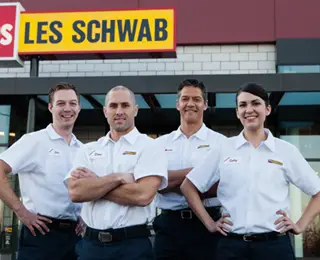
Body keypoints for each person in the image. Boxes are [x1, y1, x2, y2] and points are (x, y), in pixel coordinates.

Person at [181, 82, 320, 260]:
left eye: (255, 103)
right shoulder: (223, 148)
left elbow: (317, 191)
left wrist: (300, 225)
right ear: (237, 112)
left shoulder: (286, 150)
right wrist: (209, 223)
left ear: (267, 109)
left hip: (274, 247)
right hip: (231, 247)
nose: (249, 110)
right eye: (243, 105)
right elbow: (188, 186)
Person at [66, 85, 168, 260]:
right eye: (113, 106)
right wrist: (118, 177)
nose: (119, 111)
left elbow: (142, 195)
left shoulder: (150, 147)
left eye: (125, 105)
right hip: (91, 246)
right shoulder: (88, 149)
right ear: (105, 111)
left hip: (132, 247)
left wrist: (95, 184)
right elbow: (76, 192)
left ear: (135, 110)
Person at [0, 83, 83, 260]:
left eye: (72, 103)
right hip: (40, 234)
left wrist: (85, 216)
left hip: (75, 238)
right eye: (61, 103)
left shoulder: (82, 149)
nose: (67, 108)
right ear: (50, 107)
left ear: (79, 108)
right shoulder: (34, 141)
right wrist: (20, 211)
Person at [153, 79, 226, 260]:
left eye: (196, 99)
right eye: (185, 99)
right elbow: (155, 184)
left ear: (205, 104)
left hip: (207, 225)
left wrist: (171, 181)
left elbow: (221, 186)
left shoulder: (221, 143)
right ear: (178, 104)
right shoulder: (159, 144)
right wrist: (199, 176)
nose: (190, 104)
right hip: (169, 227)